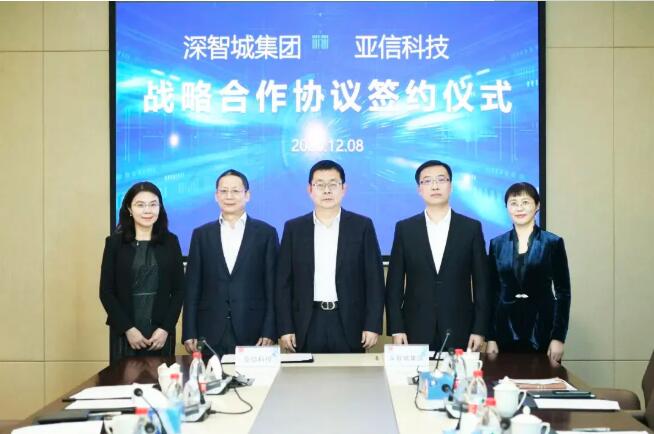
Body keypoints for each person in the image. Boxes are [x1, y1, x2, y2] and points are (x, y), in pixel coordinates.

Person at [276, 160, 385, 353]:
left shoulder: (362, 226)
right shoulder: (294, 228)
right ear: (310, 190)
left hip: (349, 322)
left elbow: (374, 280)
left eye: (333, 184)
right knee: (306, 373)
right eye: (320, 185)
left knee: (351, 373)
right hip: (306, 323)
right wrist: (285, 327)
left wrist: (372, 325)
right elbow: (283, 283)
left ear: (344, 189)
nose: (327, 190)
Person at [385, 160, 490, 351]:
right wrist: (396, 328)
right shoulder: (405, 229)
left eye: (441, 180)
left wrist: (479, 329)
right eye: (427, 181)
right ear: (419, 189)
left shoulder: (471, 228)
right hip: (414, 327)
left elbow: (482, 284)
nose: (435, 186)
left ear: (451, 185)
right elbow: (394, 284)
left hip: (460, 327)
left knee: (459, 372)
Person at [182, 169, 279, 356]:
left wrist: (269, 330)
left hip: (252, 329)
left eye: (235, 191)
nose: (229, 196)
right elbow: (192, 287)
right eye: (224, 191)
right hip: (209, 330)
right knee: (210, 376)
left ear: (247, 195)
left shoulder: (266, 233)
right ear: (216, 196)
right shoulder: (201, 235)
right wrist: (189, 331)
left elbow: (272, 286)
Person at [100, 182, 185, 364]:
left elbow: (179, 290)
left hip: (160, 333)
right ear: (129, 209)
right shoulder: (114, 243)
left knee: (162, 379)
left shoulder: (170, 241)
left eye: (153, 204)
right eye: (140, 205)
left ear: (160, 208)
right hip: (125, 332)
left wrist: (165, 328)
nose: (148, 210)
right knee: (123, 379)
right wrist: (128, 329)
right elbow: (106, 292)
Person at [486, 182, 571, 363]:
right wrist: (491, 337)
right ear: (507, 208)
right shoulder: (496, 244)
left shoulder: (552, 243)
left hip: (542, 329)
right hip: (505, 330)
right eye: (513, 203)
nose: (519, 208)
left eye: (525, 202)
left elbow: (563, 293)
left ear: (537, 205)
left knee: (543, 378)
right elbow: (492, 292)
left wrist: (558, 337)